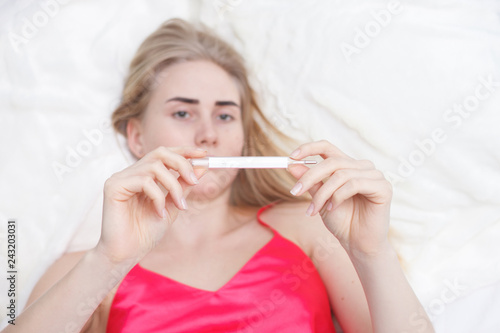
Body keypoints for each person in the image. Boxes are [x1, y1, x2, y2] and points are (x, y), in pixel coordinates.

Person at [3, 19, 434, 333]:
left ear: (243, 136)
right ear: (136, 135)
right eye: (182, 112)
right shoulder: (93, 264)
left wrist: (372, 254)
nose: (207, 134)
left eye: (225, 115)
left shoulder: (311, 227)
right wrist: (108, 262)